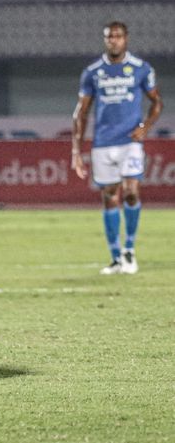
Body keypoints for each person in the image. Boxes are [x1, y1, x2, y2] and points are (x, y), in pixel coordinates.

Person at [71, 21, 163, 275]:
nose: (113, 40)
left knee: (132, 191)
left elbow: (157, 102)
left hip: (130, 143)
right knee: (110, 196)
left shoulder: (140, 69)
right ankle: (115, 257)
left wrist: (146, 126)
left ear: (126, 39)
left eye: (118, 36)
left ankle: (130, 250)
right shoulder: (93, 72)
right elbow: (81, 112)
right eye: (109, 37)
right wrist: (76, 151)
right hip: (103, 144)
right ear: (105, 40)